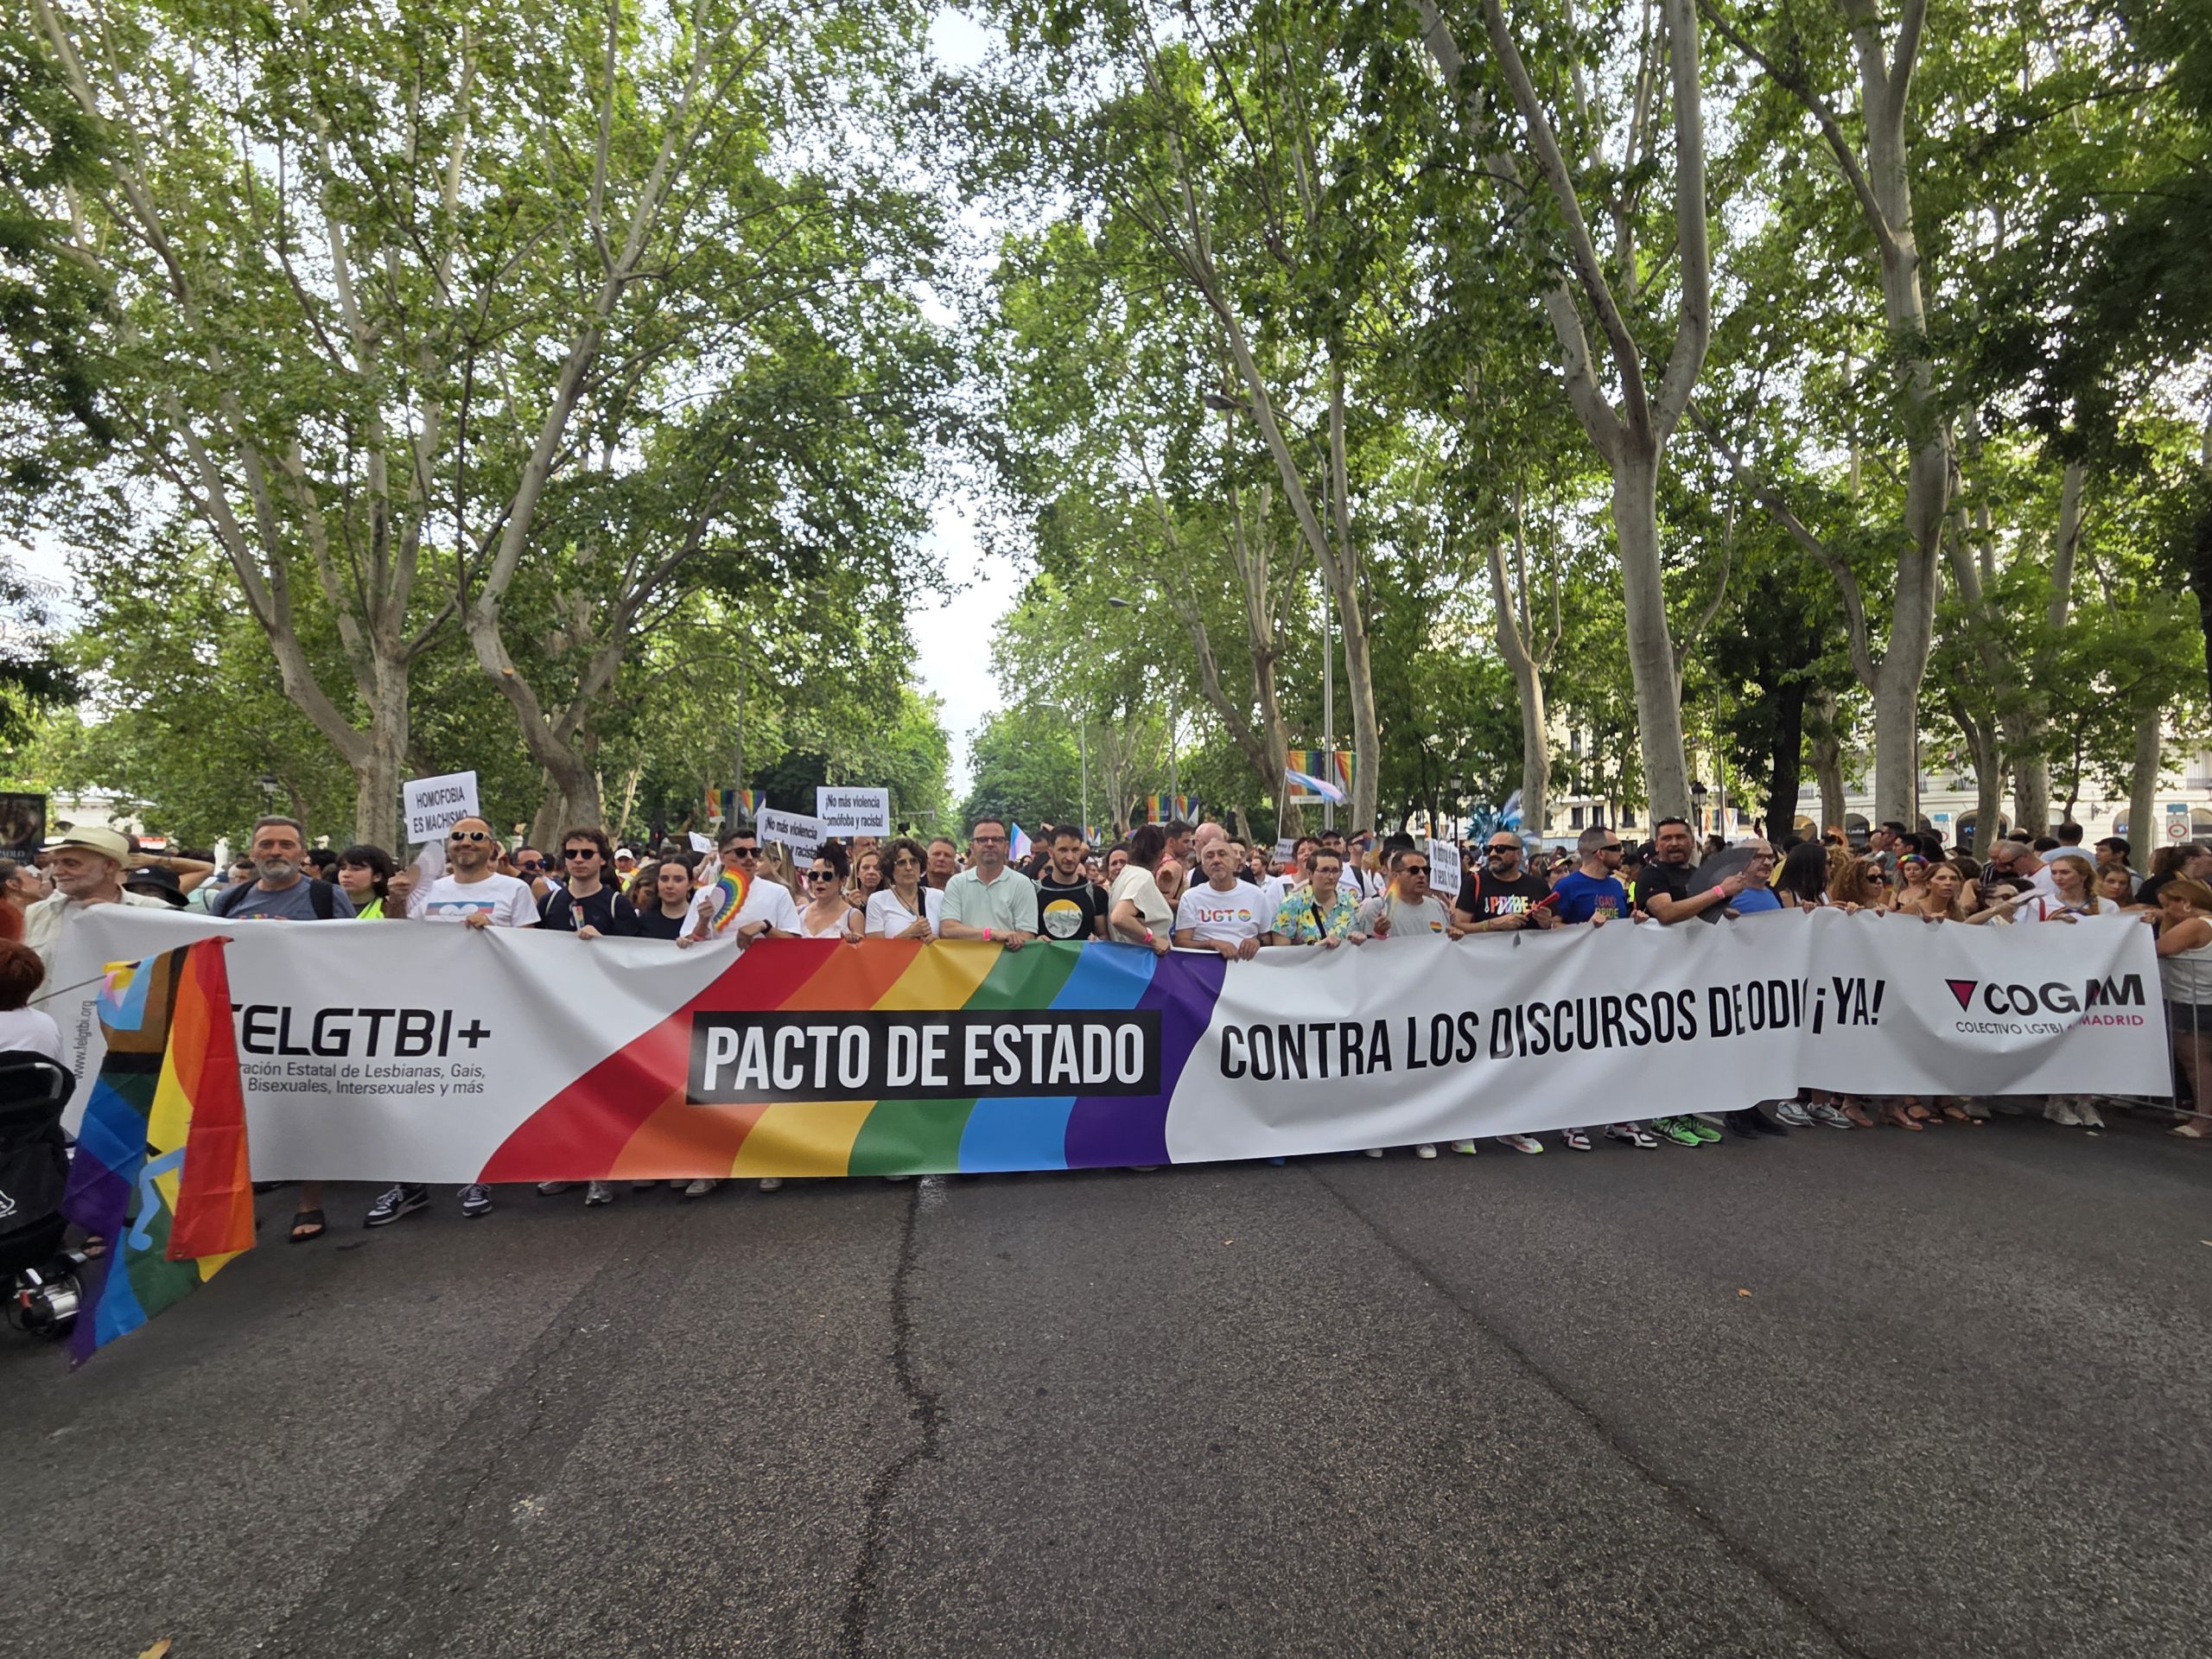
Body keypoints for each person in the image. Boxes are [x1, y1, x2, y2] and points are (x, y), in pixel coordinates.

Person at [368, 817, 537, 1227]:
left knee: (479, 1095)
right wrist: (396, 900)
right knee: (418, 1096)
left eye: (476, 836)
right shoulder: (429, 890)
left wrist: (495, 932)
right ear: (448, 845)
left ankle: (478, 1178)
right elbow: (397, 938)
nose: (466, 842)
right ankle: (409, 1184)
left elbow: (535, 948)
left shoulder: (513, 890)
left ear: (492, 846)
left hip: (491, 1009)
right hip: (431, 1010)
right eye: (458, 836)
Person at [1545, 830, 1657, 1149]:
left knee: (1618, 1051)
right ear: (1599, 853)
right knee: (1576, 1054)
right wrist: (1583, 928)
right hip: (1578, 984)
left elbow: (1618, 924)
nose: (1622, 853)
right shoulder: (1568, 886)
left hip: (1615, 980)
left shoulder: (1616, 886)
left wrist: (1634, 920)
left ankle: (1619, 1119)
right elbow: (1550, 928)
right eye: (1616, 847)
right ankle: (1571, 1122)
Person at [1351, 847, 1456, 1160]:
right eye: (1413, 870)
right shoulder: (1375, 907)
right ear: (1395, 875)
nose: (1422, 875)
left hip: (1426, 1002)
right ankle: (1378, 1132)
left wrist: (1455, 936)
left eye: (1425, 870)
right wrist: (1375, 934)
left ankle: (1420, 1133)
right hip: (1386, 1002)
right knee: (1384, 1070)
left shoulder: (1437, 908)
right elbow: (1355, 953)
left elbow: (1445, 948)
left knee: (1420, 1071)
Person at [24, 827, 181, 971]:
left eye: (71, 864)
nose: (57, 871)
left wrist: (114, 920)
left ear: (109, 867)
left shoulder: (154, 911)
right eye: (54, 863)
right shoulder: (37, 913)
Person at [2154, 877, 2212, 1139]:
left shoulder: (2195, 925)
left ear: (2186, 902)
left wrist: (2161, 921)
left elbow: (2161, 948)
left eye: (2168, 905)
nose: (2167, 912)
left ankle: (2203, 1119)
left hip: (2192, 1001)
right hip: (2197, 998)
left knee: (2195, 1062)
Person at [938, 818, 1039, 946]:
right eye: (982, 839)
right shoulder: (957, 883)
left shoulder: (1022, 884)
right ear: (972, 847)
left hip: (1006, 958)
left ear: (1006, 847)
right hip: (964, 959)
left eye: (997, 839)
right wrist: (991, 934)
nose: (990, 844)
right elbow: (947, 930)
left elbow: (1027, 936)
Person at [1173, 838, 1268, 961]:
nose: (1216, 860)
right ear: (1203, 867)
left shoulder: (1256, 895)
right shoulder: (1190, 897)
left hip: (1246, 968)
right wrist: (1211, 944)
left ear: (1235, 863)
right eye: (1209, 856)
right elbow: (1181, 942)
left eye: (1222, 854)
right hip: (1203, 968)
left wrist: (1257, 941)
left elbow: (1267, 938)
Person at [1452, 831, 1559, 937]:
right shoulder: (1474, 883)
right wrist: (1493, 924)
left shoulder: (1539, 887)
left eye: (1500, 849)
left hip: (1529, 947)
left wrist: (1547, 923)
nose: (1492, 854)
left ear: (1518, 854)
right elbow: (1459, 927)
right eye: (1488, 849)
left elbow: (1556, 928)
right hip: (1486, 948)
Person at [537, 827, 639, 938]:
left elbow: (628, 946)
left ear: (602, 859)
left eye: (587, 854)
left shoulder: (618, 905)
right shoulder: (548, 902)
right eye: (571, 854)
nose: (578, 859)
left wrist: (601, 941)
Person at [704, 830, 801, 943]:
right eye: (741, 852)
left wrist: (766, 928)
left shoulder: (779, 893)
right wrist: (702, 922)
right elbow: (690, 944)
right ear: (722, 857)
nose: (750, 857)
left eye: (755, 852)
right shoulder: (705, 894)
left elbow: (795, 943)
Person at [1266, 845, 1362, 946]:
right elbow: (1280, 951)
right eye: (1324, 871)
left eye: (1335, 871)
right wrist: (1316, 947)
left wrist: (1360, 938)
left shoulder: (1350, 903)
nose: (1331, 877)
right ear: (1309, 874)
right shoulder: (1291, 905)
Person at [1107, 823, 1173, 955]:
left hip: (1128, 957)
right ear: (1162, 854)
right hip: (1143, 960)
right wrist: (1153, 940)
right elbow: (1119, 917)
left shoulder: (1125, 875)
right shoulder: (1142, 876)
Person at [1036, 826, 1109, 942]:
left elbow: (1104, 936)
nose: (1070, 858)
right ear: (1051, 852)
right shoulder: (1034, 891)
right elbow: (1025, 936)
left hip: (1083, 954)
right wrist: (1035, 942)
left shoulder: (1096, 894)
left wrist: (1098, 941)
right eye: (1063, 850)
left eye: (1075, 850)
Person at [867, 837, 943, 938]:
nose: (909, 868)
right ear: (890, 868)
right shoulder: (877, 900)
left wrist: (938, 941)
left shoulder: (939, 897)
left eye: (914, 861)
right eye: (901, 863)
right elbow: (875, 946)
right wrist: (908, 934)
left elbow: (950, 939)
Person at [797, 854, 863, 939]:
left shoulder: (853, 917)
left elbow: (861, 946)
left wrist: (853, 941)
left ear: (842, 880)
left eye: (827, 876)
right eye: (814, 876)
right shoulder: (798, 913)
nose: (819, 881)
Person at [633, 858, 701, 941]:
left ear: (690, 884)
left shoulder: (700, 920)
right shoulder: (643, 922)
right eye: (664, 879)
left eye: (678, 880)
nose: (669, 886)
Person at [335, 845, 398, 919]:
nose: (345, 875)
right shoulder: (327, 906)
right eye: (343, 868)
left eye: (356, 869)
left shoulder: (389, 909)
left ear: (377, 876)